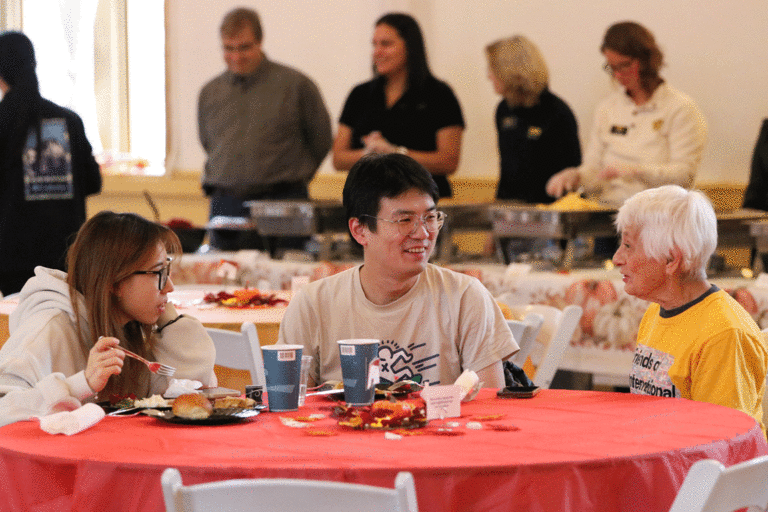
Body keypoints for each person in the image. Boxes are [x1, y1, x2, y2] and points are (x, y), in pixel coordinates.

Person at [278, 154, 517, 387]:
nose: (423, 233)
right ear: (360, 230)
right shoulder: (313, 305)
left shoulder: (464, 297)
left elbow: (490, 405)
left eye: (430, 217)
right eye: (405, 220)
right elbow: (291, 405)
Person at [0, 211, 217, 426]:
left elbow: (190, 394)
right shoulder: (47, 329)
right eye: (158, 273)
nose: (169, 286)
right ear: (114, 281)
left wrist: (171, 324)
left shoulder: (134, 325)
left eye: (167, 270)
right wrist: (81, 384)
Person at [613, 185, 767, 432]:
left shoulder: (723, 335)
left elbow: (723, 438)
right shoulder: (656, 312)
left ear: (671, 260)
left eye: (628, 246)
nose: (617, 258)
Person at [198, 7, 332, 251]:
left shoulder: (296, 85)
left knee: (288, 269)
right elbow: (208, 142)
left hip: (283, 202)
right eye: (228, 48)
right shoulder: (210, 93)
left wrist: (291, 177)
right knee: (223, 272)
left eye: (244, 47)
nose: (236, 56)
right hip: (227, 203)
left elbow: (321, 140)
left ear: (260, 42)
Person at [545, 21, 707, 208]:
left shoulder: (680, 108)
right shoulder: (607, 108)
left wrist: (634, 171)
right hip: (607, 209)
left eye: (624, 65)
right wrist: (576, 176)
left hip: (657, 212)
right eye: (612, 68)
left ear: (646, 61)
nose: (618, 75)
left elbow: (684, 175)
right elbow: (594, 170)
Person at [0, 31, 102, 296]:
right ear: (33, 64)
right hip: (66, 252)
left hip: (12, 256)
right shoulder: (69, 121)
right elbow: (93, 182)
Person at [332, 13, 464, 198]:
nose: (377, 52)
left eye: (386, 44)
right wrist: (371, 153)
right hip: (370, 201)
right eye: (374, 44)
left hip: (422, 202)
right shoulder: (360, 94)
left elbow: (449, 161)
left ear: (410, 47)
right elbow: (338, 159)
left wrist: (395, 153)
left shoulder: (439, 94)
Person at [486, 35, 581, 204]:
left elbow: (572, 171)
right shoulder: (503, 109)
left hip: (547, 209)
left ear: (509, 70)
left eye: (492, 69)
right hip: (508, 207)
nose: (488, 76)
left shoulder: (557, 112)